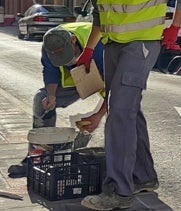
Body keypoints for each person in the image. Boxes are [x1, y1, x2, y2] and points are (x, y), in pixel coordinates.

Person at [80, 0, 181, 211]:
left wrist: (174, 28)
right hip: (114, 45)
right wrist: (89, 50)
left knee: (119, 111)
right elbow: (99, 12)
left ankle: (119, 191)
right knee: (129, 109)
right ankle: (143, 176)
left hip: (142, 45)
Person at [6, 21, 107, 178]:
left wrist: (98, 115)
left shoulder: (99, 46)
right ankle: (37, 158)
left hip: (103, 77)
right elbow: (50, 72)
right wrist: (51, 95)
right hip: (75, 80)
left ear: (73, 40)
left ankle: (122, 168)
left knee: (123, 111)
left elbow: (116, 88)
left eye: (66, 56)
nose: (64, 61)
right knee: (41, 99)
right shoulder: (50, 44)